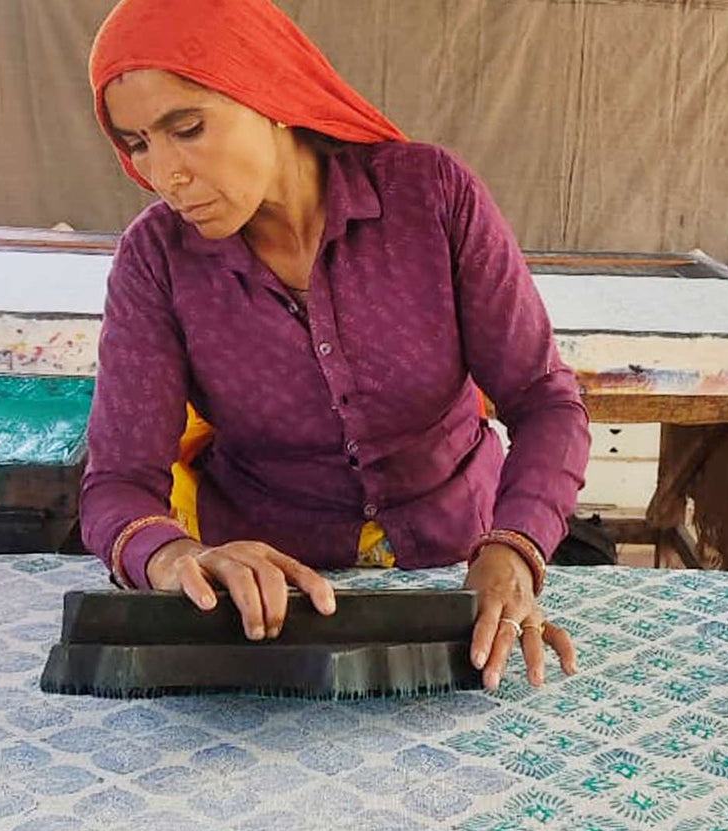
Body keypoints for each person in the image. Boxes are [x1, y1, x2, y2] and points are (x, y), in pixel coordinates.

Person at [80, 0, 590, 690]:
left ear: (270, 92)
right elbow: (118, 481)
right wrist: (172, 558)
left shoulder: (430, 199)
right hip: (277, 606)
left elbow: (544, 401)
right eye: (137, 144)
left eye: (188, 128)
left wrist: (515, 547)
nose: (164, 174)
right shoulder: (156, 259)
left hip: (458, 564)